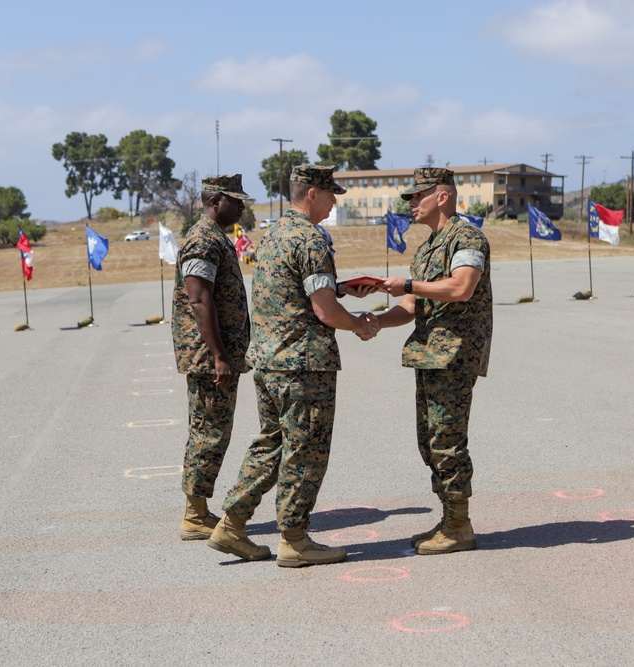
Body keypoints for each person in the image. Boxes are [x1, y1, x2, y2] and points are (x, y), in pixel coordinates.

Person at [207, 164, 380, 567]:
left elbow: (295, 290)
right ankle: (295, 539)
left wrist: (340, 288)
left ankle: (231, 525)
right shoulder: (311, 240)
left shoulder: (273, 236)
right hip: (302, 365)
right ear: (312, 194)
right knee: (306, 450)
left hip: (269, 361)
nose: (335, 201)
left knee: (271, 444)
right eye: (331, 193)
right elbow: (324, 311)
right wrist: (359, 324)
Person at [375, 167, 493, 556]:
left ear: (442, 196)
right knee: (430, 441)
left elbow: (461, 287)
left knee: (447, 440)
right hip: (429, 354)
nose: (410, 204)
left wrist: (407, 284)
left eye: (417, 196)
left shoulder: (467, 237)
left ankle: (460, 525)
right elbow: (412, 305)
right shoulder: (428, 246)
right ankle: (449, 518)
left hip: (454, 354)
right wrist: (374, 320)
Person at [171, 174, 253, 541]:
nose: (241, 207)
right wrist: (219, 355)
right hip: (209, 358)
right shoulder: (203, 240)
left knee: (212, 431)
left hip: (217, 355)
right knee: (209, 433)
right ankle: (194, 514)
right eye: (236, 201)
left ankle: (198, 509)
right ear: (216, 200)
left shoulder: (216, 237)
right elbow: (199, 300)